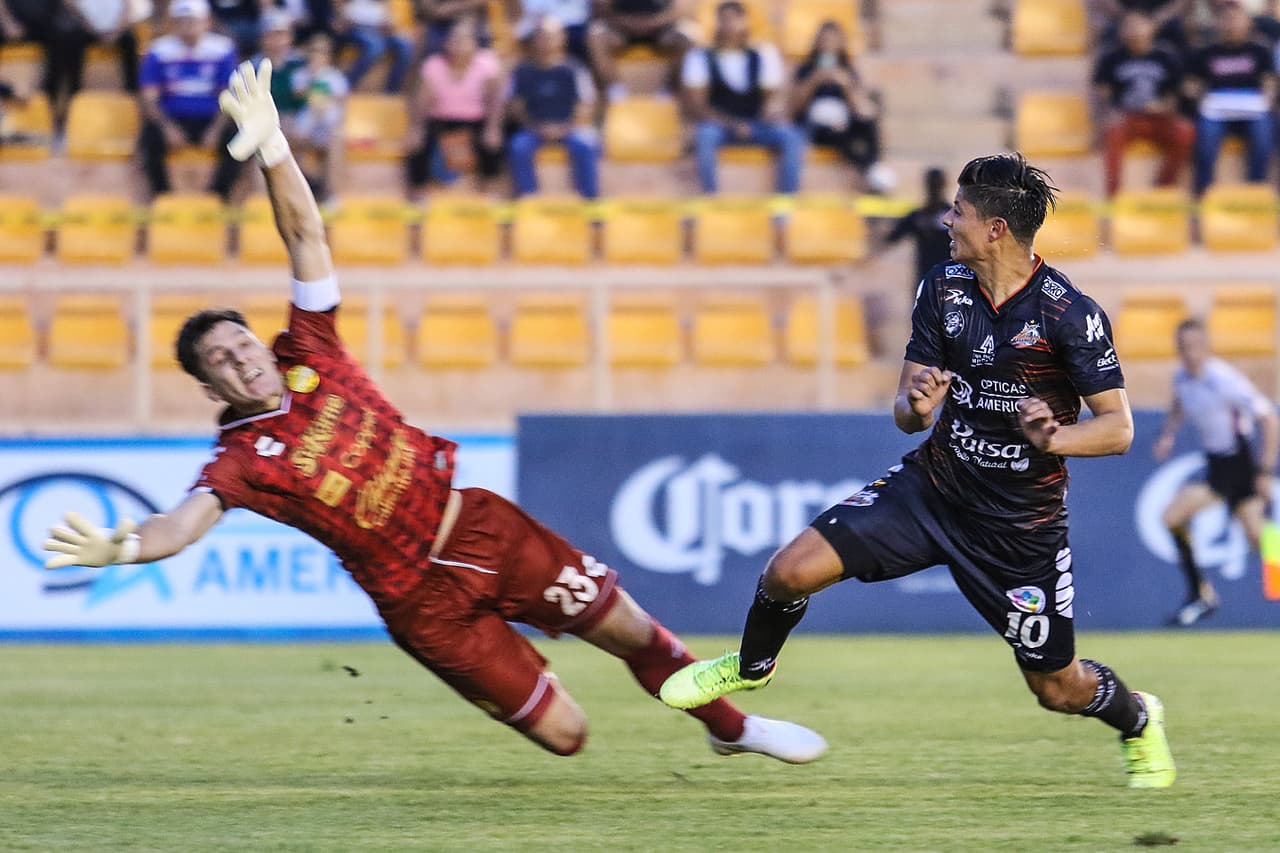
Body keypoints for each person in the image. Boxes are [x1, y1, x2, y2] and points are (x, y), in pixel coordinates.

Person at [42, 57, 826, 766]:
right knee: (568, 737)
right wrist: (122, 546)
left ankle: (732, 728)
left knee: (628, 629)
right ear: (211, 389)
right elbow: (180, 524)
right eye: (220, 360)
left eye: (240, 341)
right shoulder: (241, 460)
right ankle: (523, 685)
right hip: (421, 604)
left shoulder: (310, 348)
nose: (240, 356)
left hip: (482, 528)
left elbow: (305, 233)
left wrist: (276, 149)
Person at [659, 152, 1178, 790]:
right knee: (788, 571)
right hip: (931, 491)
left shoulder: (1068, 315)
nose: (946, 219)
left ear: (996, 229)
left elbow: (1119, 429)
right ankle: (752, 664)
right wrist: (917, 405)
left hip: (1019, 529)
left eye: (958, 210)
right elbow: (907, 411)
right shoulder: (943, 287)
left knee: (1058, 688)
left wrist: (1056, 437)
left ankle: (1138, 720)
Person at [1153, 318, 1278, 626]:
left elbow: (1269, 419)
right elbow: (1179, 405)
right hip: (1217, 464)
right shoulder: (1182, 378)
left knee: (1258, 538)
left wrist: (1263, 470)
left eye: (1195, 346)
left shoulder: (1224, 380)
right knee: (1176, 518)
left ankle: (1201, 595)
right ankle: (1200, 593)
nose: (1190, 352)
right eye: (1183, 347)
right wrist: (1168, 433)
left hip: (1239, 463)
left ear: (1206, 346)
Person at [681, 0, 804, 196]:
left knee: (792, 136)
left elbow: (771, 99)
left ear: (745, 22)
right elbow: (698, 105)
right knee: (704, 135)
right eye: (724, 19)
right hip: (720, 124)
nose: (729, 25)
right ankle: (710, 197)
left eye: (734, 19)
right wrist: (732, 124)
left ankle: (786, 203)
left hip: (756, 123)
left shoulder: (764, 54)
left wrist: (768, 115)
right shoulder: (700, 56)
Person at [137, 0, 244, 201]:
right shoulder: (159, 51)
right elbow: (149, 98)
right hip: (172, 117)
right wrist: (167, 127)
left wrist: (216, 129)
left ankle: (219, 196)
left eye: (192, 21)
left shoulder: (222, 49)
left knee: (240, 140)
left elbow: (230, 95)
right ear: (173, 24)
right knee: (148, 140)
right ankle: (162, 195)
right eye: (182, 22)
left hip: (211, 117)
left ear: (206, 22)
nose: (187, 27)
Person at [1093, 10, 1194, 196]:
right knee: (1112, 134)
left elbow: (1176, 92)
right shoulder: (1111, 57)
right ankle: (1114, 196)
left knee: (1185, 132)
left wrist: (1165, 106)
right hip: (1127, 117)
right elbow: (1101, 92)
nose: (1135, 31)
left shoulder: (1166, 56)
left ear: (1151, 29)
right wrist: (1109, 111)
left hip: (1160, 117)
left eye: (1139, 25)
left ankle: (1164, 188)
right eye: (1129, 26)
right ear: (1122, 31)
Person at [405, 14, 505, 198]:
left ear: (475, 43)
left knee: (492, 142)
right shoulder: (433, 65)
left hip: (475, 121)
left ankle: (491, 194)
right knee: (419, 142)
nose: (457, 43)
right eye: (453, 38)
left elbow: (495, 101)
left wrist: (493, 128)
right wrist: (416, 129)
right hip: (441, 120)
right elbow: (421, 102)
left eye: (463, 39)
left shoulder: (487, 64)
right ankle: (417, 196)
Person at [1185, 0, 1276, 195]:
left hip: (1252, 105)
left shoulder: (1260, 50)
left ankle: (1255, 191)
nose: (1231, 24)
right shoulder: (1205, 51)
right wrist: (1198, 96)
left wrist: (1268, 97)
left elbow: (1270, 80)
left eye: (1236, 19)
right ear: (1218, 24)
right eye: (1226, 20)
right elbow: (1191, 83)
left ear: (1248, 24)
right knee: (1206, 141)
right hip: (1216, 106)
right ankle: (1204, 193)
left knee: (1264, 137)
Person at [789, 19, 888, 191]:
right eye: (824, 40)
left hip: (843, 121)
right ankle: (870, 172)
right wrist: (814, 81)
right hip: (816, 125)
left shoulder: (848, 70)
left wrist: (845, 85)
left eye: (833, 40)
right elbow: (795, 108)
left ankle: (874, 166)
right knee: (839, 136)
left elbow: (862, 109)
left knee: (868, 124)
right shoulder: (806, 69)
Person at [508, 16, 600, 199]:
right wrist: (536, 127)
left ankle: (590, 202)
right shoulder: (521, 71)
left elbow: (587, 104)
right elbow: (515, 106)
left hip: (571, 128)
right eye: (540, 37)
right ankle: (528, 200)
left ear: (562, 38)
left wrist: (566, 128)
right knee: (518, 146)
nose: (545, 42)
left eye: (550, 36)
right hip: (534, 129)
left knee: (586, 144)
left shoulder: (575, 69)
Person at [586, 0, 690, 98]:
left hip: (659, 29)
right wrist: (629, 22)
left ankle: (674, 89)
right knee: (596, 34)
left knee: (686, 36)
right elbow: (601, 9)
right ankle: (614, 89)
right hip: (621, 29)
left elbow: (680, 11)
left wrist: (652, 22)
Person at [289, 31, 347, 201]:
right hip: (303, 127)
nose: (317, 55)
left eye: (322, 52)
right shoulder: (299, 76)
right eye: (314, 51)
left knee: (335, 141)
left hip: (327, 127)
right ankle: (301, 190)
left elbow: (340, 105)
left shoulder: (336, 78)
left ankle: (330, 195)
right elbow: (298, 101)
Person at [884, 166, 952, 286]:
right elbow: (891, 238)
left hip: (949, 280)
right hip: (925, 278)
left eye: (936, 184)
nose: (934, 188)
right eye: (932, 184)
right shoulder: (918, 216)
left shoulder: (953, 216)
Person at [334, 0, 412, 93]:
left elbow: (388, 24)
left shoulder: (384, 4)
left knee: (405, 45)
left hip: (381, 33)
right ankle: (346, 83)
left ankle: (391, 89)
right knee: (376, 46)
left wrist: (391, 28)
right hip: (358, 30)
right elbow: (346, 20)